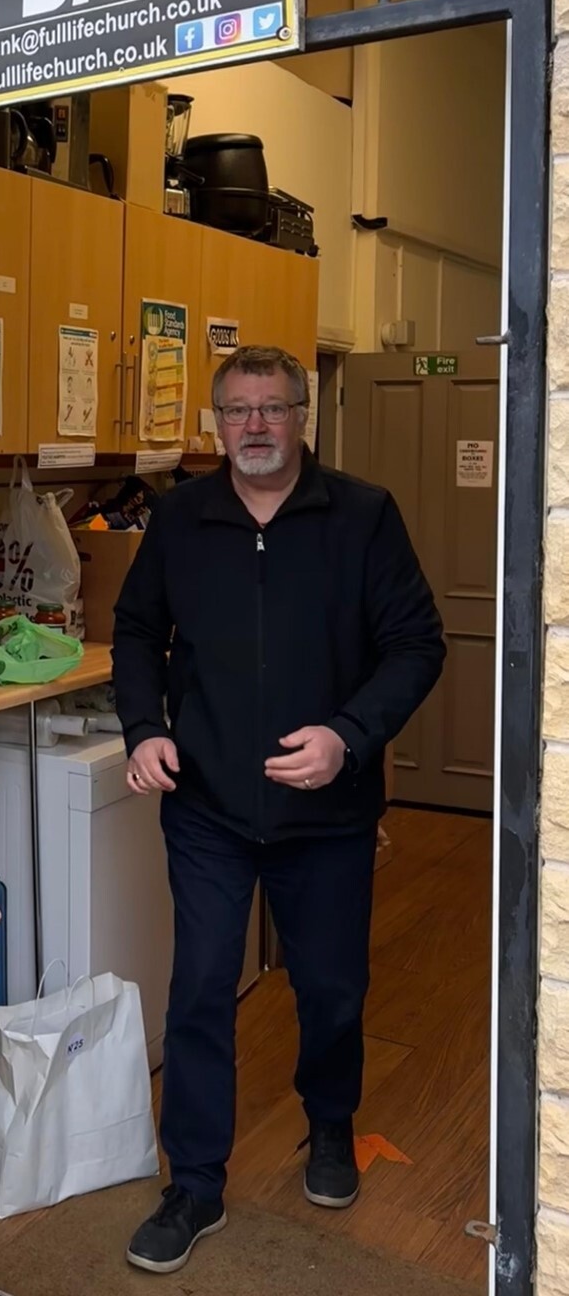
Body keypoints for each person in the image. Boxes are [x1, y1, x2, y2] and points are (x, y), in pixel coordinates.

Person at [111, 345, 445, 1276]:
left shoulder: (362, 516)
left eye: (273, 407)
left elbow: (415, 645)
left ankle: (329, 1125)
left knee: (331, 989)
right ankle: (196, 1184)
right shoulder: (182, 517)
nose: (255, 425)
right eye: (237, 410)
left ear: (303, 416)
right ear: (215, 424)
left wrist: (349, 735)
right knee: (201, 990)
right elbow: (137, 631)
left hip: (328, 811)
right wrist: (143, 727)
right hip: (209, 807)